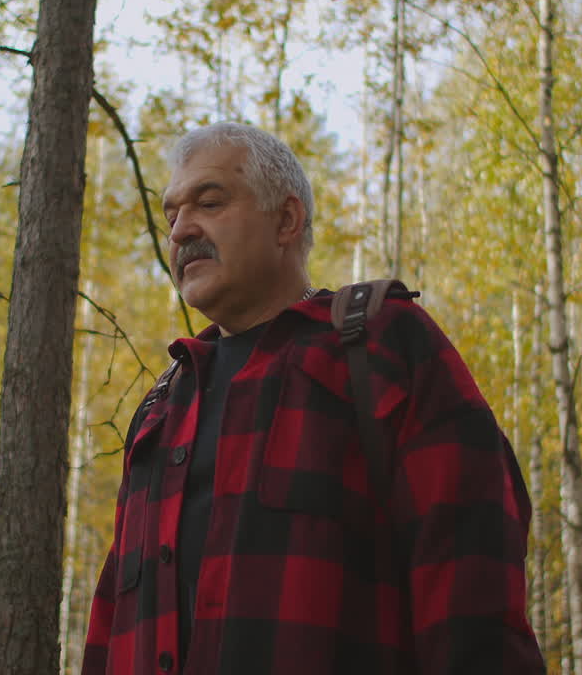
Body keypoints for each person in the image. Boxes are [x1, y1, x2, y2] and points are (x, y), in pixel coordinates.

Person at [81, 122, 545, 674]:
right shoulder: (161, 407)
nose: (181, 230)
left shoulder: (380, 344)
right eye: (171, 215)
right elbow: (110, 626)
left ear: (286, 220)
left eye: (209, 202)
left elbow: (474, 584)